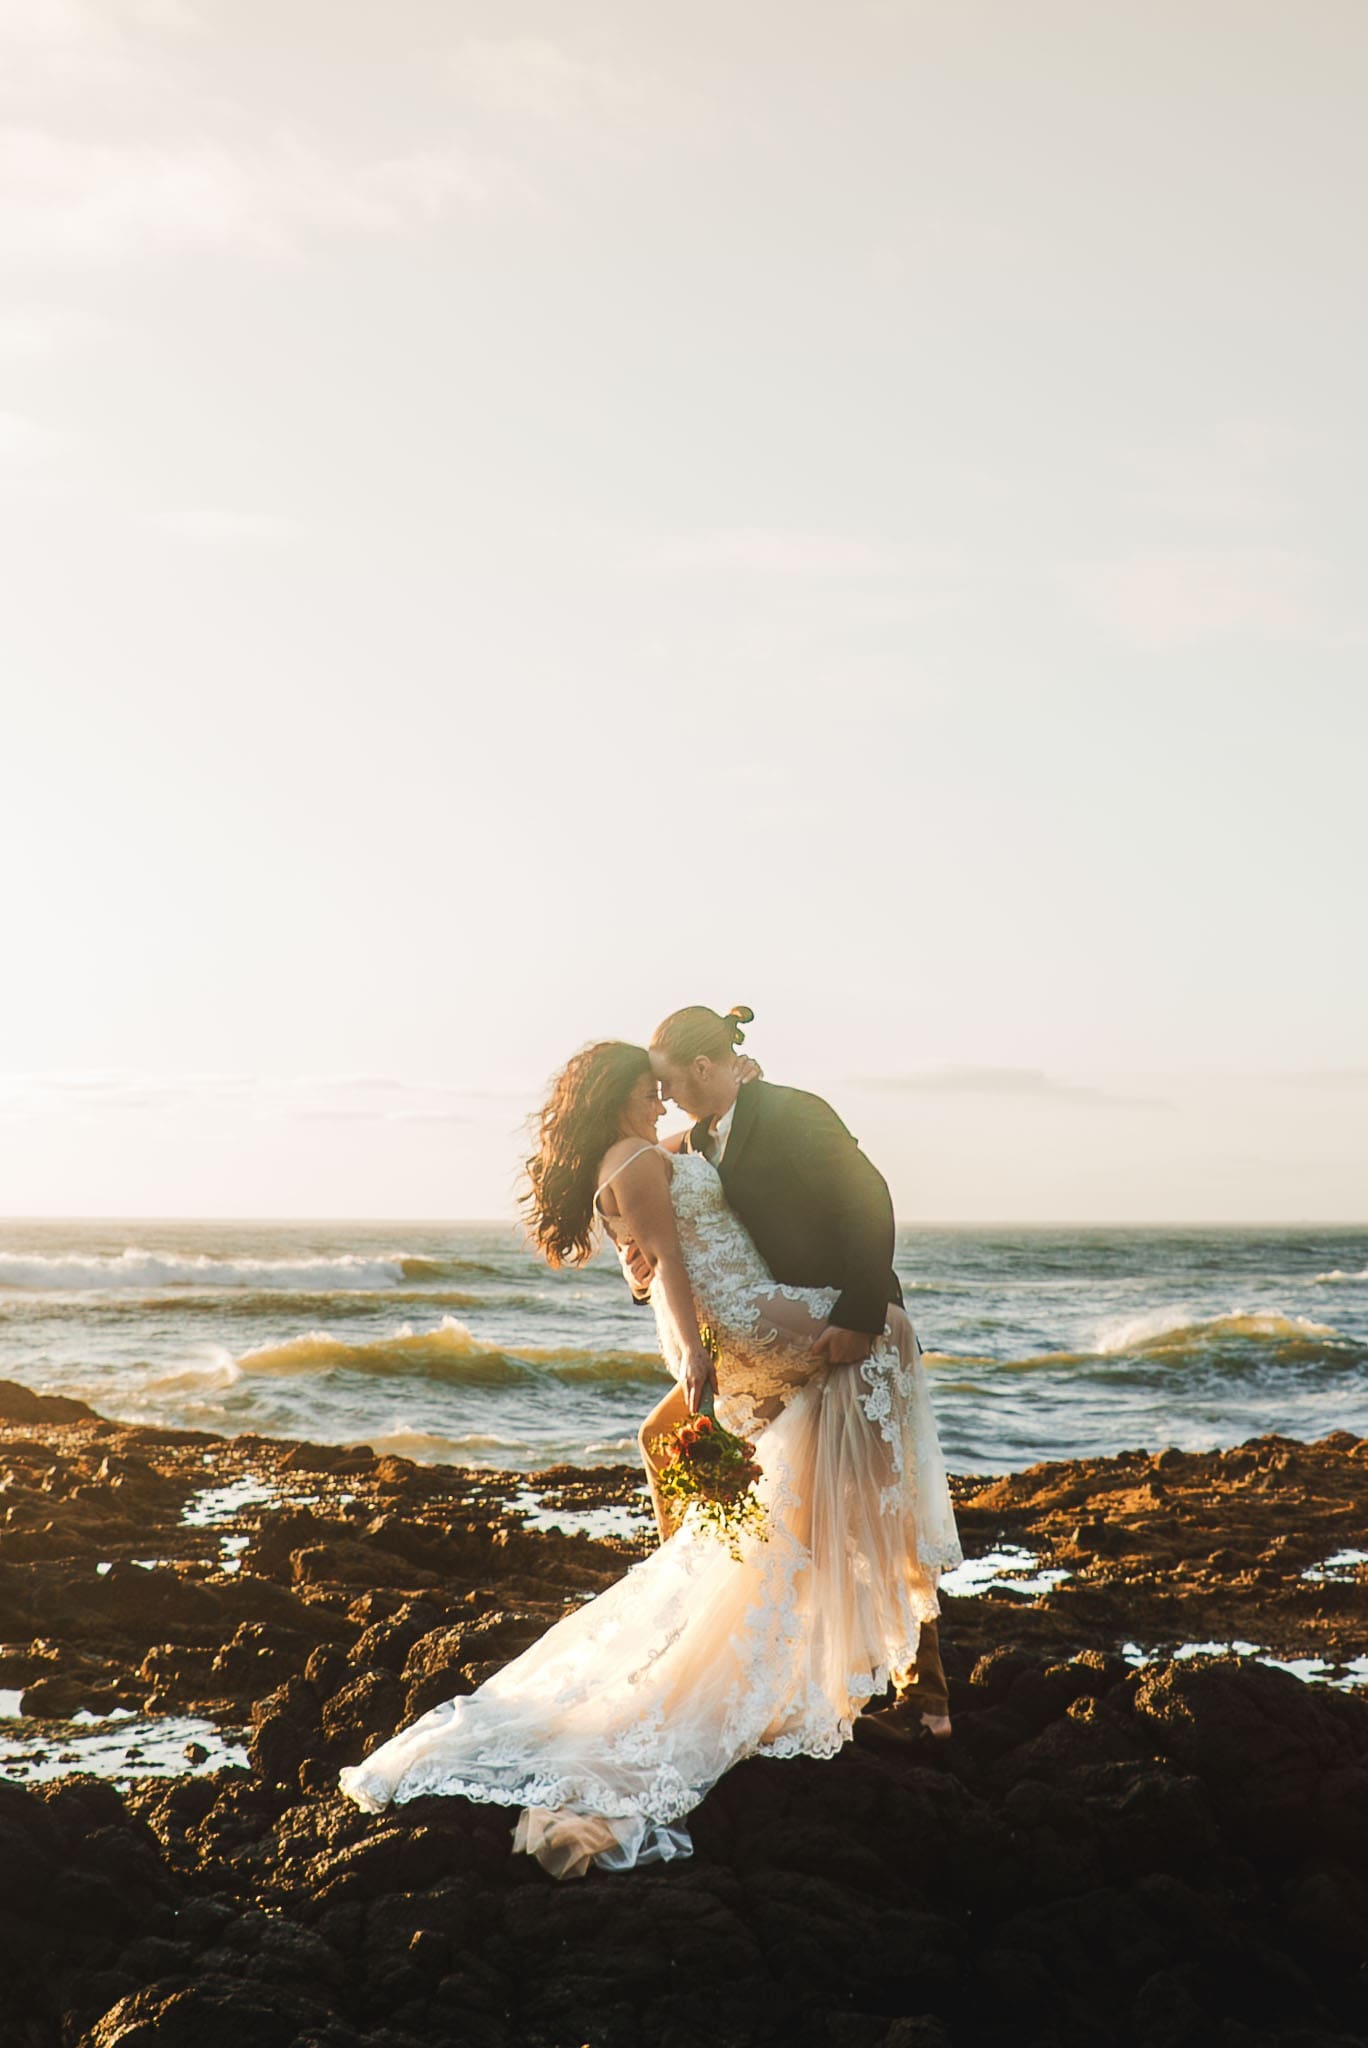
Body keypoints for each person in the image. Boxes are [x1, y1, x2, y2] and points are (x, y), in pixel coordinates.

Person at [338, 1031, 961, 1879]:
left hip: (747, 1313)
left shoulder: (636, 1153)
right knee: (883, 1348)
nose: (662, 1099)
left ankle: (875, 1671)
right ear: (619, 1094)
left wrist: (740, 1082)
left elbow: (666, 1204)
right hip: (751, 1319)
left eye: (667, 1084)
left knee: (801, 1477)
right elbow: (668, 1264)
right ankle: (919, 1695)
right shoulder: (633, 1160)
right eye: (649, 1087)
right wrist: (695, 1356)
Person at [632, 1003, 954, 1745]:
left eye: (673, 1083)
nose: (668, 1098)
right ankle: (762, 1657)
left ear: (707, 1069)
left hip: (851, 1333)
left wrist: (862, 1313)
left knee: (882, 1512)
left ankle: (928, 1699)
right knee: (798, 1509)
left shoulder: (794, 1114)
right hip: (787, 1345)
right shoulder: (699, 1141)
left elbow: (867, 1197)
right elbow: (676, 1245)